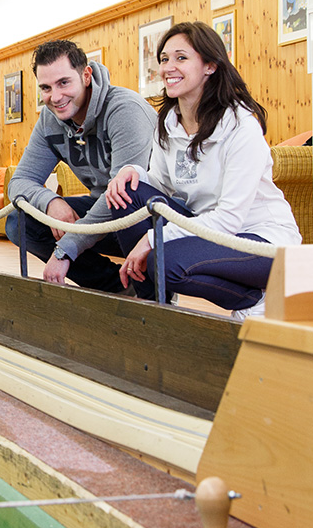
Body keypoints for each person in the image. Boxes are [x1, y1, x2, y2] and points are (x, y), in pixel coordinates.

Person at [105, 21, 301, 318]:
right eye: (164, 59)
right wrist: (132, 172)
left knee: (165, 260)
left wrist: (149, 240)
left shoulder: (241, 125)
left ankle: (252, 299)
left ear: (209, 65)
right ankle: (157, 302)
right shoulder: (169, 122)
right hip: (207, 229)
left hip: (262, 242)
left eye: (181, 58)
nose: (168, 67)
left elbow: (229, 218)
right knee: (127, 194)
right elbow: (161, 185)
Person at [6, 40, 156, 292]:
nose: (55, 97)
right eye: (46, 87)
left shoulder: (124, 109)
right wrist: (52, 202)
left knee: (123, 203)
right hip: (104, 212)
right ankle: (119, 288)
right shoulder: (49, 119)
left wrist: (65, 251)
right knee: (20, 222)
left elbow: (124, 193)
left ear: (86, 76)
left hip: (148, 216)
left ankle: (152, 292)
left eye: (64, 83)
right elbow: (18, 183)